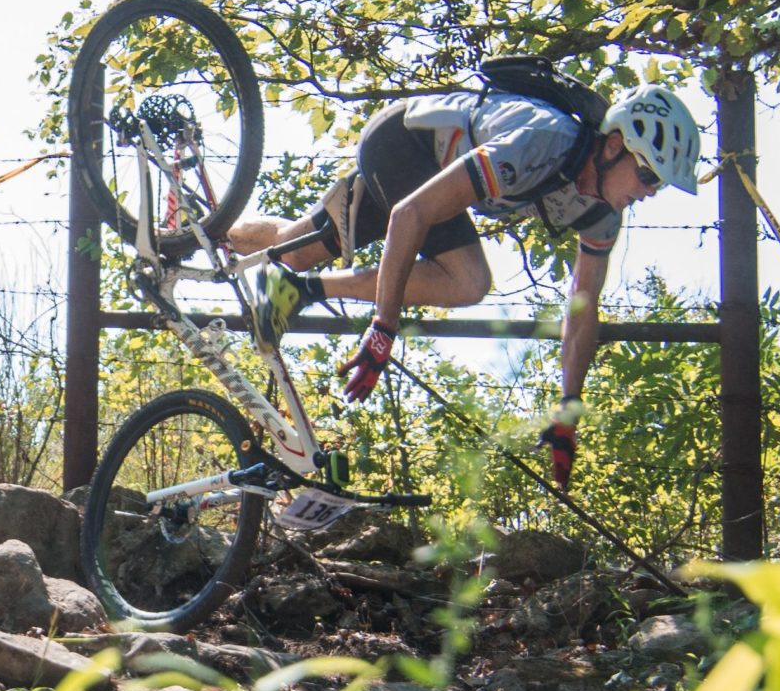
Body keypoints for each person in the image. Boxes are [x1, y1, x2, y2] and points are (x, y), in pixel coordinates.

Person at [222, 81, 701, 491]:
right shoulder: (543, 143)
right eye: (647, 173)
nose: (648, 191)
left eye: (657, 184)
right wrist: (383, 328)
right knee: (469, 280)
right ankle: (303, 290)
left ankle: (200, 234)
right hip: (403, 144)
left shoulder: (600, 214)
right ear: (613, 145)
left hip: (424, 171)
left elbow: (583, 309)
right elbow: (411, 214)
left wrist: (568, 408)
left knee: (293, 250)